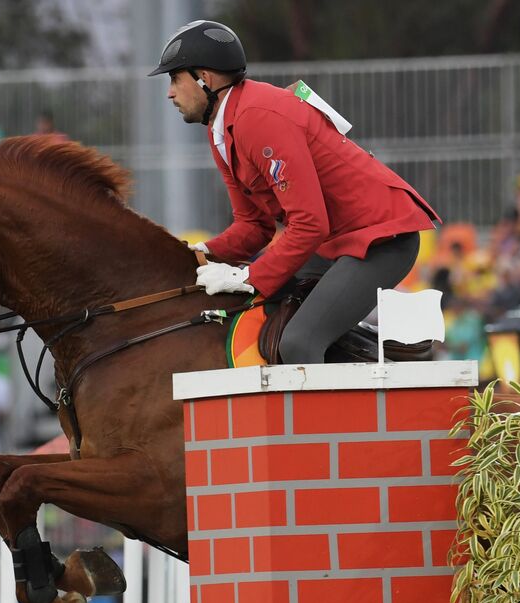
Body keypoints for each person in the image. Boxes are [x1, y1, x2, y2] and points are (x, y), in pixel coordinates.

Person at [150, 20, 440, 365]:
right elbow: (253, 225)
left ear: (204, 78)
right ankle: (378, 354)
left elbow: (308, 224)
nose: (170, 93)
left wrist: (250, 276)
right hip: (333, 242)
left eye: (174, 79)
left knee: (298, 344)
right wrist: (199, 252)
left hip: (380, 240)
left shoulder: (256, 117)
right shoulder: (221, 129)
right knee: (266, 319)